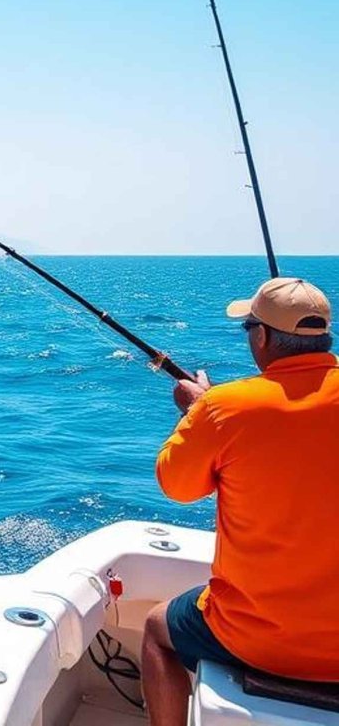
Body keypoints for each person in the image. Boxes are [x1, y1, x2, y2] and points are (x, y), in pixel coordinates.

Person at [142, 277, 339, 723]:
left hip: (261, 640)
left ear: (264, 336)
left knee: (156, 629)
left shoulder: (225, 408)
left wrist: (198, 410)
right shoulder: (229, 407)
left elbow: (176, 486)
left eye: (250, 328)